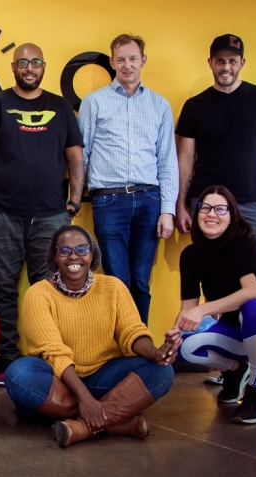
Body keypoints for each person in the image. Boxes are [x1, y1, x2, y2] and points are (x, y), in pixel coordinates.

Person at [174, 33, 256, 389]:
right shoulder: (195, 106)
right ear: (210, 63)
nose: (226, 66)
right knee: (215, 281)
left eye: (232, 60)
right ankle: (231, 365)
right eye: (220, 60)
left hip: (253, 203)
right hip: (206, 205)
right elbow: (185, 158)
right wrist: (181, 204)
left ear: (242, 63)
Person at [0, 43, 85, 386]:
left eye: (35, 62)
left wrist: (74, 202)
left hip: (51, 215)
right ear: (13, 67)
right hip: (3, 214)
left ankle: (49, 359)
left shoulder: (60, 106)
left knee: (49, 291)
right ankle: (9, 360)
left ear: (44, 66)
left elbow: (75, 157)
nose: (29, 68)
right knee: (2, 289)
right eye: (23, 63)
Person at [4, 225, 175, 447]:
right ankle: (117, 421)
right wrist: (85, 399)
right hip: (60, 382)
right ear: (55, 256)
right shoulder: (38, 293)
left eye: (81, 249)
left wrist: (155, 354)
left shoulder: (113, 287)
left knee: (163, 371)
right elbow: (54, 353)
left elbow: (132, 332)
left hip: (105, 377)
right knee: (18, 374)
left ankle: (82, 427)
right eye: (65, 250)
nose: (73, 256)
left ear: (91, 255)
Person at [166, 186, 256, 424]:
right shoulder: (190, 255)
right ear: (197, 214)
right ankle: (236, 369)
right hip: (237, 336)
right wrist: (174, 335)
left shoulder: (243, 242)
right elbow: (188, 308)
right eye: (205, 208)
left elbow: (252, 292)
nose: (211, 214)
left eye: (220, 209)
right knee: (184, 346)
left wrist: (204, 309)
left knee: (254, 307)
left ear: (231, 216)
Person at [78, 33, 178, 325]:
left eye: (133, 59)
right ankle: (120, 345)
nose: (127, 65)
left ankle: (140, 343)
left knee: (141, 281)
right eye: (121, 60)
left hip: (150, 199)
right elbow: (81, 154)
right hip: (109, 201)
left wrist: (167, 210)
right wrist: (76, 198)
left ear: (143, 60)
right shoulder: (94, 102)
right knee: (117, 281)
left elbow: (167, 161)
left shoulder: (159, 105)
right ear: (112, 62)